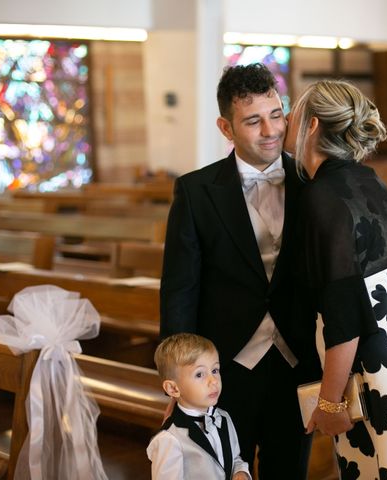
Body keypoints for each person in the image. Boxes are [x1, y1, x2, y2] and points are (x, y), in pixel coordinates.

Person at [284, 80, 387, 479]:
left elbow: (345, 316)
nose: (287, 120)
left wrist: (329, 403)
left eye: (294, 112)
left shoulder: (320, 197)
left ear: (311, 126)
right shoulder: (371, 182)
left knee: (377, 469)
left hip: (365, 366)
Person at [160, 63, 320, 479]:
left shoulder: (314, 185)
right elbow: (180, 287)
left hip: (297, 361)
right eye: (253, 120)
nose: (270, 130)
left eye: (276, 115)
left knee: (290, 471)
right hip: (224, 369)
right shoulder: (196, 192)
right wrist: (179, 375)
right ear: (226, 128)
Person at [147, 333, 251, 479]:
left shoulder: (223, 418)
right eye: (199, 374)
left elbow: (235, 459)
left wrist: (240, 472)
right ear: (173, 389)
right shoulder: (169, 439)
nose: (213, 381)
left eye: (215, 370)